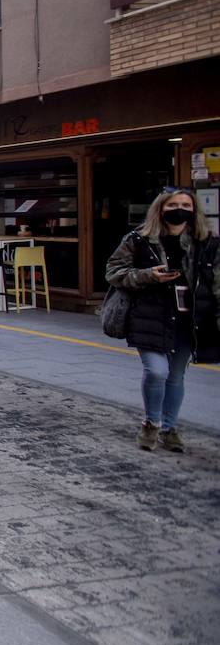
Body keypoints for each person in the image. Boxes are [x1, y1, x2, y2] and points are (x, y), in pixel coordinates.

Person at [105, 188, 219, 453]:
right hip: (149, 315)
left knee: (176, 375)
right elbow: (113, 271)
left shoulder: (207, 242)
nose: (179, 210)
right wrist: (148, 276)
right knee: (157, 371)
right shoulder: (139, 239)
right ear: (161, 208)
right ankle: (151, 423)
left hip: (189, 319)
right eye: (173, 205)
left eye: (186, 205)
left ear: (194, 210)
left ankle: (169, 428)